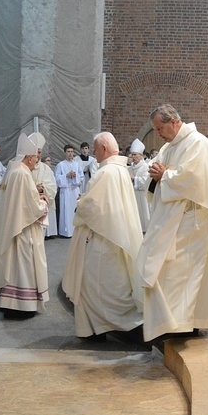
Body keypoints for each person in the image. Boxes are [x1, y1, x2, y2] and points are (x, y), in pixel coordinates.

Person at [135, 104, 208, 341]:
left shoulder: (198, 143)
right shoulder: (169, 147)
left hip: (193, 222)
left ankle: (185, 324)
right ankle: (171, 322)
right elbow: (158, 175)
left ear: (175, 121)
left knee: (185, 275)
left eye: (160, 128)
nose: (158, 134)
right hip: (173, 221)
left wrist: (164, 174)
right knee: (169, 274)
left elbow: (194, 180)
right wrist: (158, 173)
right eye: (156, 129)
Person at [62, 132, 144, 341]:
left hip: (103, 239)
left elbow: (93, 207)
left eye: (95, 148)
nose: (94, 153)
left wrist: (81, 202)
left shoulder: (105, 173)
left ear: (104, 149)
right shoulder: (121, 170)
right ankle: (98, 327)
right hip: (115, 235)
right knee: (113, 283)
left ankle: (98, 328)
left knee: (92, 284)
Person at [0, 133, 50, 318]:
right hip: (22, 229)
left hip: (12, 226)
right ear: (28, 158)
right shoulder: (22, 173)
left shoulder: (13, 169)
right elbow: (32, 208)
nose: (36, 161)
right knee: (23, 267)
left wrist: (34, 194)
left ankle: (9, 302)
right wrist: (43, 202)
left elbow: (19, 198)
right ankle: (21, 306)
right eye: (35, 157)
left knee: (13, 267)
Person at [27, 132, 58, 239]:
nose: (38, 155)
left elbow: (53, 186)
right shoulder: (23, 169)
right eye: (36, 152)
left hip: (41, 204)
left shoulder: (46, 169)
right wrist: (34, 188)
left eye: (40, 152)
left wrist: (43, 188)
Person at [55, 144, 84, 237]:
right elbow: (56, 178)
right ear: (65, 153)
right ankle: (66, 232)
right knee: (66, 210)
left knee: (74, 210)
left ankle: (76, 231)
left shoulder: (77, 165)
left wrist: (76, 176)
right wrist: (66, 176)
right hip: (65, 190)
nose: (70, 154)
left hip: (74, 190)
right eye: (68, 152)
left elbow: (82, 177)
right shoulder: (60, 165)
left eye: (72, 152)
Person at [129, 138, 151, 232]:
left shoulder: (145, 167)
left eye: (135, 155)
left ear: (141, 156)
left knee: (143, 219)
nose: (133, 157)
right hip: (132, 197)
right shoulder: (129, 168)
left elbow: (146, 182)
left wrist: (134, 179)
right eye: (132, 155)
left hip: (142, 198)